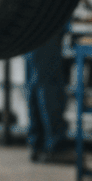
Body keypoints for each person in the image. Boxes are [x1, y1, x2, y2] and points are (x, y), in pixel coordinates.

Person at [23, 26, 71, 162]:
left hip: (30, 30)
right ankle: (55, 146)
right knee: (49, 85)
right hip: (46, 28)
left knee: (35, 84)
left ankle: (37, 145)